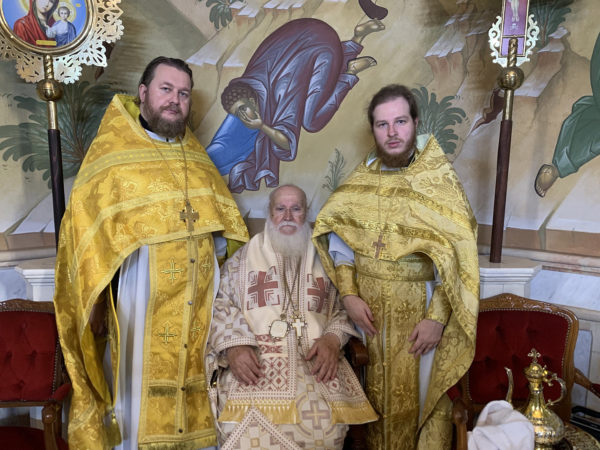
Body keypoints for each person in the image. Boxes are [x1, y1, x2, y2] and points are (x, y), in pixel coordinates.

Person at [53, 56, 249, 450]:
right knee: (138, 397)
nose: (175, 100)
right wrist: (95, 304)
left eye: (184, 93)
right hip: (142, 300)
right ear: (143, 93)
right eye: (166, 89)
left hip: (200, 306)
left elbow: (224, 228)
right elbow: (88, 237)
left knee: (199, 390)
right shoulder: (112, 156)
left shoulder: (196, 157)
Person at [313, 84, 480, 449]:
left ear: (415, 123)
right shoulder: (361, 179)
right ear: (373, 129)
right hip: (367, 316)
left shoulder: (439, 181)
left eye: (400, 122)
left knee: (421, 402)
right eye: (382, 124)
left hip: (420, 315)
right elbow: (341, 244)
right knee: (372, 403)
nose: (392, 132)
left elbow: (457, 257)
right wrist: (349, 295)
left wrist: (437, 319)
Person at [206, 184, 377, 449]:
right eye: (280, 209)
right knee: (240, 431)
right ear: (269, 212)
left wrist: (332, 340)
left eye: (296, 209)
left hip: (315, 364)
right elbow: (220, 303)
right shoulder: (242, 259)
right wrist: (235, 347)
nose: (287, 216)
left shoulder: (325, 261)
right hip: (257, 364)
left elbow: (345, 307)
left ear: (306, 213)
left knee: (326, 432)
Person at [206, 17, 384, 193]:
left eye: (242, 109)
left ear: (252, 101)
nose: (243, 116)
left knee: (311, 121)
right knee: (309, 78)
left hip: (323, 47)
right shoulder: (251, 81)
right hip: (305, 32)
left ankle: (350, 72)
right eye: (238, 114)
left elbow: (287, 142)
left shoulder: (282, 93)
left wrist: (262, 126)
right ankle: (355, 40)